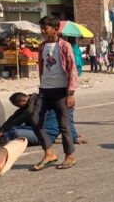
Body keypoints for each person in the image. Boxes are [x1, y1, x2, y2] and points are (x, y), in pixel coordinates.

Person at [31, 15, 77, 171]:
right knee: (35, 120)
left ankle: (70, 156)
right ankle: (49, 153)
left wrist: (70, 93)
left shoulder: (64, 46)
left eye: (46, 28)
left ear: (56, 29)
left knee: (64, 125)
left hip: (60, 91)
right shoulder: (42, 46)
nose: (43, 31)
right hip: (44, 89)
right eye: (42, 28)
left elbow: (72, 69)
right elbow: (42, 67)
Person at [0, 92, 86, 146]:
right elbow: (16, 115)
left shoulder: (63, 105)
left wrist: (74, 137)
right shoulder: (40, 100)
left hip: (47, 135)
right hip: (38, 129)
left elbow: (68, 121)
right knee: (13, 128)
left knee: (14, 131)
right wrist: (3, 128)